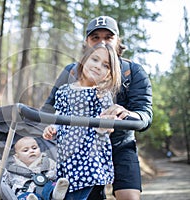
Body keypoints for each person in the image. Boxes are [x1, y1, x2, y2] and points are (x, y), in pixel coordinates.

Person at [41, 16, 153, 200]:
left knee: (129, 197)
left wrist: (126, 114)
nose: (102, 41)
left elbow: (145, 115)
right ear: (86, 43)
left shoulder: (133, 71)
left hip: (120, 144)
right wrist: (49, 129)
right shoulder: (71, 71)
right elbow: (49, 108)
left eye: (108, 37)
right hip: (81, 150)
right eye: (95, 37)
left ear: (118, 41)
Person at [42, 43, 121, 199]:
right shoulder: (64, 91)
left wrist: (105, 125)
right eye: (95, 60)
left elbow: (107, 126)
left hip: (91, 157)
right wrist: (53, 128)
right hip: (67, 155)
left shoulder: (101, 95)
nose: (98, 67)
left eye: (105, 66)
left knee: (86, 194)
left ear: (109, 74)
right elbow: (60, 117)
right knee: (65, 190)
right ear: (84, 60)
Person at [3, 136, 69, 200]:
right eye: (26, 150)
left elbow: (56, 172)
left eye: (34, 148)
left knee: (51, 186)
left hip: (45, 189)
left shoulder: (47, 162)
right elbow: (5, 182)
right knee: (23, 197)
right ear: (17, 156)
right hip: (26, 192)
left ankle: (56, 194)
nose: (31, 151)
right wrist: (0, 167)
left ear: (39, 149)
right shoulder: (12, 170)